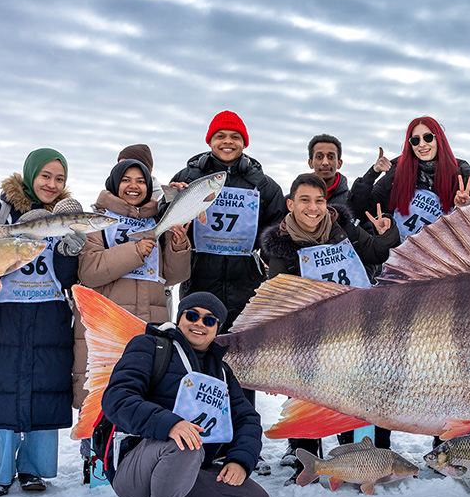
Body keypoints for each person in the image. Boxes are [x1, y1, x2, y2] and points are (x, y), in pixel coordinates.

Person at [102, 291, 270, 497]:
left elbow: (247, 419)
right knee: (186, 441)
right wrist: (169, 424)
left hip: (189, 466)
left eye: (209, 320)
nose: (199, 324)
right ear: (179, 318)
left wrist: (240, 460)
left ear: (217, 329)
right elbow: (117, 398)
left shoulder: (222, 371)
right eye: (192, 316)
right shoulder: (150, 346)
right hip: (137, 469)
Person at [261, 173, 401, 472]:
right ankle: (302, 453)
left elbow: (377, 252)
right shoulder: (281, 248)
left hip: (354, 330)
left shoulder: (343, 228)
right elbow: (279, 301)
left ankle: (364, 453)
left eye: (319, 201)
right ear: (290, 204)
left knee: (359, 390)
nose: (313, 208)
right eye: (305, 200)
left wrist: (386, 232)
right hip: (309, 334)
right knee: (306, 393)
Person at [0, 149, 83, 497]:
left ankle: (33, 469)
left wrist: (71, 252)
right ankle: (0, 472)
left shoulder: (66, 217)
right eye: (45, 175)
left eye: (59, 178)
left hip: (50, 315)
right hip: (4, 315)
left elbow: (69, 279)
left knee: (46, 389)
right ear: (30, 174)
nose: (52, 184)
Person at [72, 158, 192, 455]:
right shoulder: (96, 221)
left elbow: (173, 276)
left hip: (151, 319)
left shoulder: (157, 222)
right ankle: (96, 460)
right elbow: (89, 271)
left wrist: (178, 245)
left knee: (145, 393)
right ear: (114, 184)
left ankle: (136, 459)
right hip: (109, 323)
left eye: (140, 180)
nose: (133, 186)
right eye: (126, 179)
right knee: (104, 390)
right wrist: (135, 250)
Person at [169, 111, 287, 330]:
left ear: (244, 143)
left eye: (235, 137)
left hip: (246, 283)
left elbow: (276, 232)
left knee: (244, 343)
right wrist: (170, 202)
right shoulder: (187, 178)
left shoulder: (263, 185)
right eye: (220, 136)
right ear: (210, 141)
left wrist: (270, 265)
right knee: (195, 339)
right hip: (198, 279)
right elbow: (165, 219)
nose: (227, 142)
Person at [348, 116, 470, 233]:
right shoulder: (397, 174)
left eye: (428, 137)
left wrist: (467, 209)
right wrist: (372, 173)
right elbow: (357, 212)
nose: (422, 144)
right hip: (398, 249)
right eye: (415, 140)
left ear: (439, 139)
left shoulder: (459, 177)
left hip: (441, 250)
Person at [307, 134, 351, 216]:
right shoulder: (294, 199)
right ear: (310, 163)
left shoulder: (351, 201)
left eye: (331, 157)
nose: (325, 163)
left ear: (339, 163)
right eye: (319, 157)